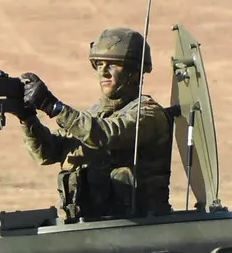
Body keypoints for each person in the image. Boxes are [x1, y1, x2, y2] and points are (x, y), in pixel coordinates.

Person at [14, 27, 172, 222]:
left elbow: (104, 135)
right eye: (99, 64)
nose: (104, 72)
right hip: (93, 226)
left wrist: (53, 107)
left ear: (135, 72)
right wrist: (27, 118)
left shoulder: (148, 114)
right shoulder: (93, 115)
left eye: (113, 65)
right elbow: (47, 153)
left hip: (139, 227)